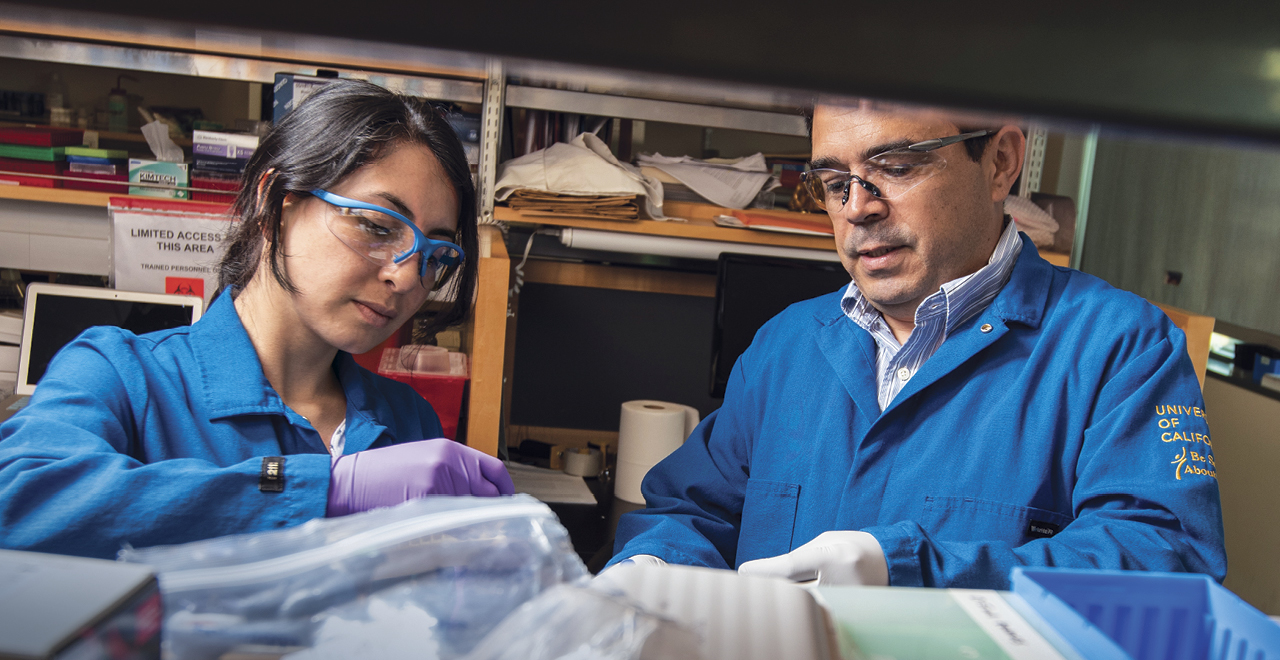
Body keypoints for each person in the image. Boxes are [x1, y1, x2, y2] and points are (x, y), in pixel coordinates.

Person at [607, 99, 1226, 589]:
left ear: (1001, 162)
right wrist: (649, 569)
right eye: (833, 182)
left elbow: (1167, 560)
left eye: (896, 168)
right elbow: (690, 512)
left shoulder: (1123, 349)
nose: (858, 208)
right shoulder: (786, 346)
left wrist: (915, 572)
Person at [0, 80, 513, 560]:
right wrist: (326, 489)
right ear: (274, 206)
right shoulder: (122, 376)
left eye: (435, 255)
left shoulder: (405, 420)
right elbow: (18, 507)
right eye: (377, 227)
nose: (405, 279)